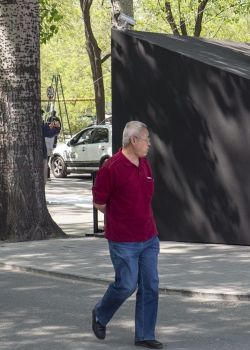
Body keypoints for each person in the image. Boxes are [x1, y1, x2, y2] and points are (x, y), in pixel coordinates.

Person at [91, 121, 163, 349]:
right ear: (134, 140)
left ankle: (144, 335)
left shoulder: (145, 165)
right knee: (126, 285)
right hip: (123, 240)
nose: (149, 143)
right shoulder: (111, 168)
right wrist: (118, 217)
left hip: (149, 237)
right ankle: (100, 314)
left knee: (150, 286)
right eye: (146, 139)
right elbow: (99, 202)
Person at [42, 116, 60, 183]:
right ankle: (47, 177)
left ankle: (48, 176)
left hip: (48, 148)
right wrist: (57, 128)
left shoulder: (44, 127)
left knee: (47, 163)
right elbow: (50, 134)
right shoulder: (42, 126)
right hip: (44, 150)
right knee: (45, 166)